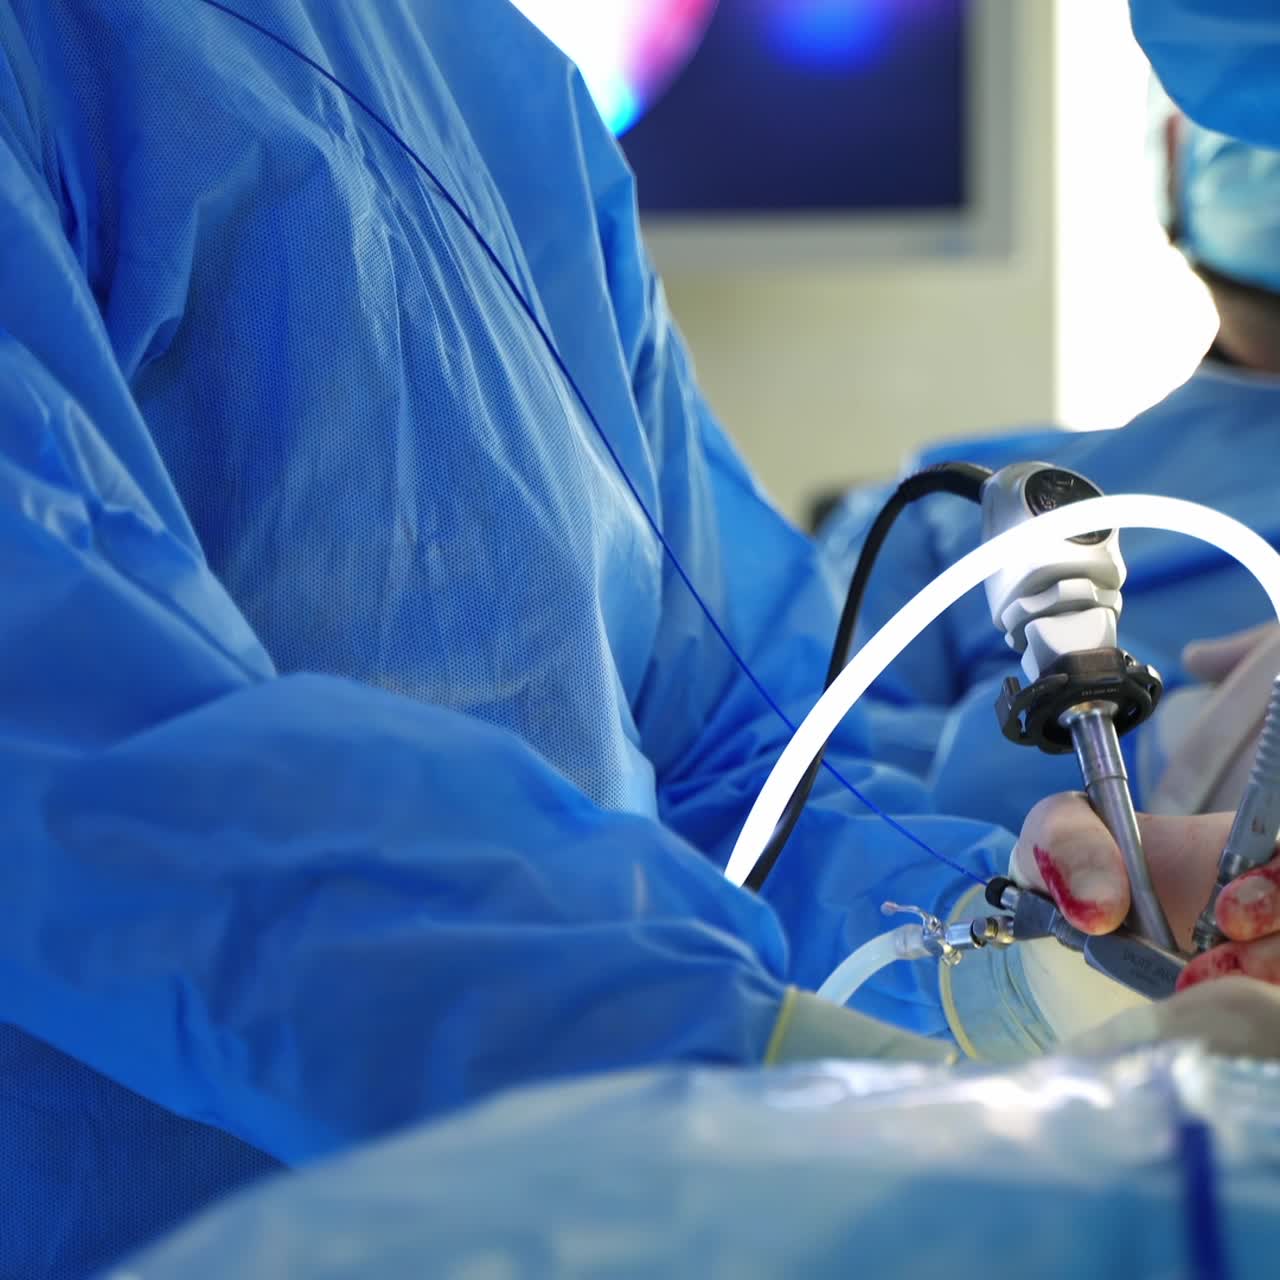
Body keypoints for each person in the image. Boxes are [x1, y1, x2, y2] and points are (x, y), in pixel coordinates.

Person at [2, 3, 1276, 1277]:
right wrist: (767, 1066)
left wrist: (1020, 943)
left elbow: (737, 766)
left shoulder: (491, 92)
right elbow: (79, 769)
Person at [818, 85, 1280, 837]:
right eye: (1248, 87)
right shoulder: (949, 510)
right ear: (1170, 157)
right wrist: (1154, 750)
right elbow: (799, 802)